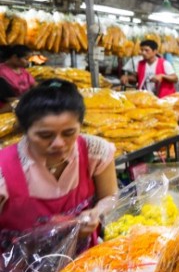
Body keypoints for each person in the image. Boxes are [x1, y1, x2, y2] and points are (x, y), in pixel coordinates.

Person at [0, 79, 118, 256]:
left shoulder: (95, 152)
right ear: (24, 131)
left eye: (69, 133)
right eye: (45, 135)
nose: (59, 143)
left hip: (82, 264)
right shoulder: (5, 169)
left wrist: (97, 212)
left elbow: (110, 196)